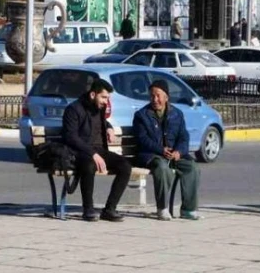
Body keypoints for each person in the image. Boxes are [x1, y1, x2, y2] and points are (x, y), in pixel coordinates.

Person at [60, 80, 131, 222]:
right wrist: (93, 154)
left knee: (125, 166)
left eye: (108, 98)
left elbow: (101, 122)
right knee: (89, 165)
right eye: (104, 97)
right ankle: (88, 209)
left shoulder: (98, 108)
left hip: (99, 150)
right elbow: (70, 136)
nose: (106, 102)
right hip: (80, 152)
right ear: (93, 94)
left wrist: (109, 127)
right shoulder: (74, 109)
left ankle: (110, 209)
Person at [132, 80, 200, 221]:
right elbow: (142, 139)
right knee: (162, 168)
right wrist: (160, 150)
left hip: (172, 155)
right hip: (151, 155)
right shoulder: (141, 115)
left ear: (166, 97)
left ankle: (188, 209)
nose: (155, 99)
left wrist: (178, 152)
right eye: (152, 96)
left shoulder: (177, 114)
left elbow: (184, 137)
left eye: (158, 96)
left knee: (192, 167)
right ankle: (162, 208)